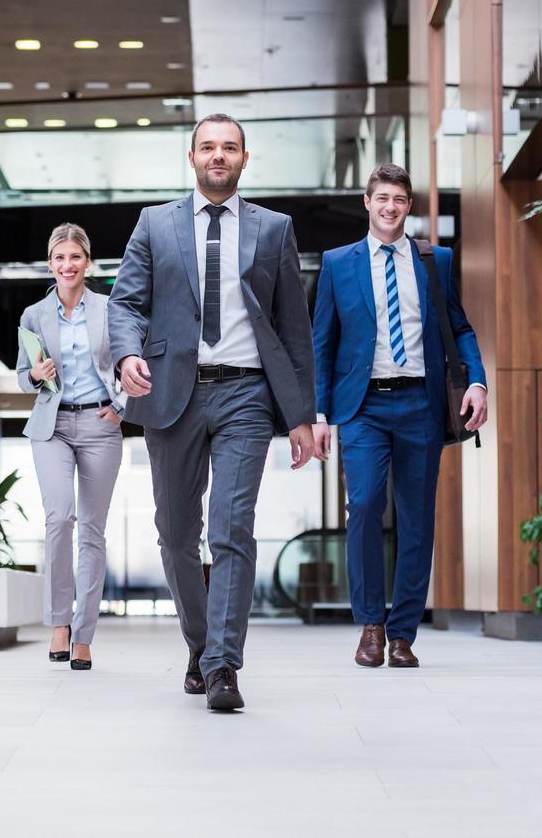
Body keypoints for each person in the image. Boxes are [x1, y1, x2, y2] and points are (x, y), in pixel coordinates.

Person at [109, 113, 317, 711]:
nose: (218, 156)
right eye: (208, 147)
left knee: (232, 529)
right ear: (192, 156)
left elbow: (292, 329)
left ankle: (224, 665)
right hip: (172, 393)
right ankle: (201, 647)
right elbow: (126, 303)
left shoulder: (274, 230)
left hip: (247, 394)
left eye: (229, 148)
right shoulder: (155, 224)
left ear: (245, 159)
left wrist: (302, 413)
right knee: (176, 535)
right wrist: (125, 354)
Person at [311, 164, 488, 668]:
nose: (391, 207)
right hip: (363, 406)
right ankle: (371, 624)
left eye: (400, 200)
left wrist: (476, 381)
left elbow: (461, 327)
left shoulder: (436, 260)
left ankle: (403, 634)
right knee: (364, 506)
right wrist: (320, 413)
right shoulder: (337, 263)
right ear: (367, 202)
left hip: (421, 405)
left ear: (409, 206)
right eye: (382, 198)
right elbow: (322, 342)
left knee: (416, 519)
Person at [17, 223, 128, 672]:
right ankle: (59, 622)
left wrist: (122, 406)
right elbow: (23, 375)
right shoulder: (33, 315)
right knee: (60, 517)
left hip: (101, 422)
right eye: (59, 258)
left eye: (75, 257)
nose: (67, 265)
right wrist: (35, 376)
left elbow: (131, 360)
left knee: (93, 533)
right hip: (54, 425)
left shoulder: (110, 308)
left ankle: (83, 634)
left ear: (87, 262)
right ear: (50, 264)